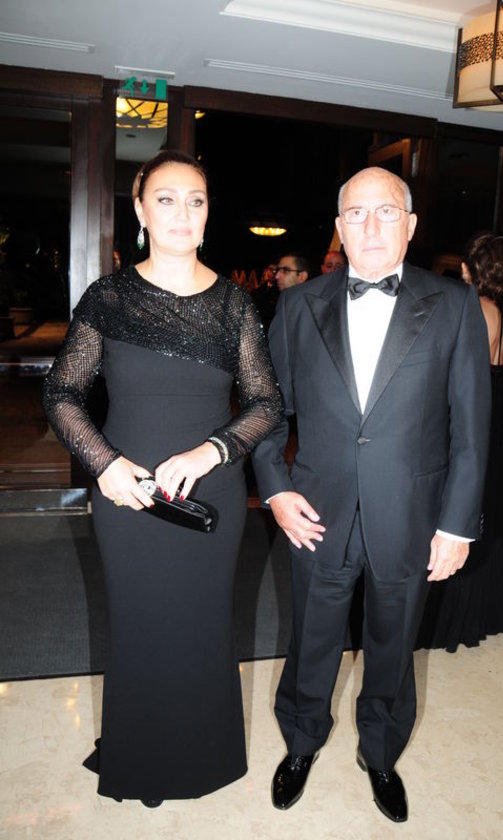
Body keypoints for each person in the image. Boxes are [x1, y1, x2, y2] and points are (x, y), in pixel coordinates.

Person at [43, 150, 283, 807]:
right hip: (127, 496)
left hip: (211, 495)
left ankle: (203, 756)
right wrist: (105, 463)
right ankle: (142, 760)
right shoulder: (109, 297)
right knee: (140, 624)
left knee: (202, 624)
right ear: (141, 210)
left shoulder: (233, 303)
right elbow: (62, 392)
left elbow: (267, 403)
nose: (183, 213)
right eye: (167, 199)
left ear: (207, 215)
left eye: (196, 201)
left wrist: (212, 451)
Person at [251, 166, 491, 823]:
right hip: (316, 511)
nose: (371, 226)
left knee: (394, 642)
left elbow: (472, 427)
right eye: (355, 214)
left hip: (412, 515)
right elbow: (267, 411)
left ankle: (381, 753)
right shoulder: (298, 306)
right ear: (339, 228)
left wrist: (457, 526)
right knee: (312, 638)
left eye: (386, 212)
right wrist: (275, 490)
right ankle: (301, 743)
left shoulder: (454, 305)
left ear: (410, 225)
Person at [417, 233, 503, 652]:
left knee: (457, 507)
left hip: (472, 416)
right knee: (485, 506)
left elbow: (463, 378)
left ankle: (444, 618)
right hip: (496, 419)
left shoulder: (472, 308)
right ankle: (480, 611)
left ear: (467, 269)